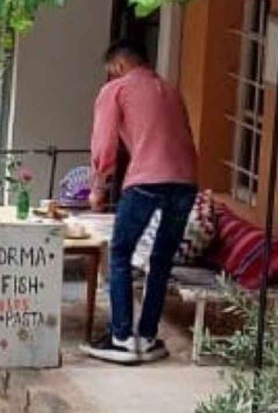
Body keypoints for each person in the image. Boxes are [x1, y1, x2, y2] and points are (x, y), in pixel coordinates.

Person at [82, 40, 198, 365]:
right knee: (161, 261)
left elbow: (104, 144)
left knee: (119, 253)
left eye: (110, 72)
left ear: (118, 66)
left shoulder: (115, 90)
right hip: (186, 181)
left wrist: (98, 187)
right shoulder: (171, 90)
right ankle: (146, 337)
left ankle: (120, 337)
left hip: (146, 179)